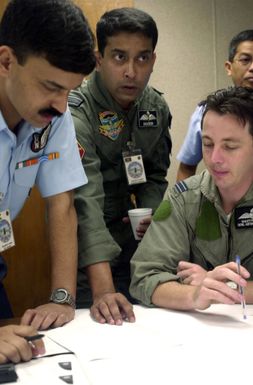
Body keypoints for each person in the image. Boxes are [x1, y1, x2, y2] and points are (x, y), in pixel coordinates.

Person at [0, 0, 96, 363]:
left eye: (70, 90)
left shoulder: (53, 114)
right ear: (7, 61)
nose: (60, 105)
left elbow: (62, 202)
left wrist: (62, 297)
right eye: (51, 86)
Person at [69, 8, 172, 325]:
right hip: (90, 255)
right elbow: (83, 200)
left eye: (142, 59)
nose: (131, 71)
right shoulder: (77, 112)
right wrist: (103, 289)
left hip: (139, 249)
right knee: (101, 327)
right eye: (119, 57)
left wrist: (151, 213)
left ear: (153, 61)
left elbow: (156, 174)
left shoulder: (155, 106)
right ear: (98, 59)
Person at [130, 86, 253, 311]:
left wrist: (226, 287)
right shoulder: (184, 197)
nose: (214, 158)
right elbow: (144, 278)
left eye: (230, 146)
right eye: (207, 144)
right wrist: (194, 295)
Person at [176, 29, 253, 181]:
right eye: (245, 60)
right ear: (229, 67)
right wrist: (183, 203)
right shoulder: (207, 112)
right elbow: (187, 167)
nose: (252, 68)